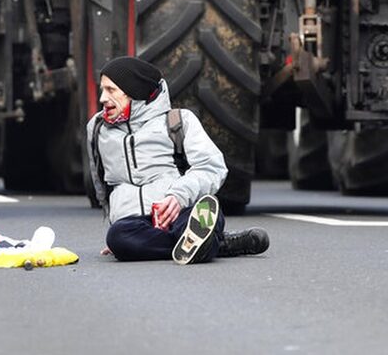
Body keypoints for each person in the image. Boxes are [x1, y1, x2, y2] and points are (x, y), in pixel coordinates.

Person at [87, 56, 270, 264]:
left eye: (111, 90)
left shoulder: (177, 121)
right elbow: (102, 184)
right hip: (135, 221)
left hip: (181, 211)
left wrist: (178, 196)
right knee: (118, 238)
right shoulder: (97, 128)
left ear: (135, 91)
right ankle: (214, 245)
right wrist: (115, 223)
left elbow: (212, 166)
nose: (102, 98)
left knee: (205, 212)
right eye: (103, 90)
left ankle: (196, 241)